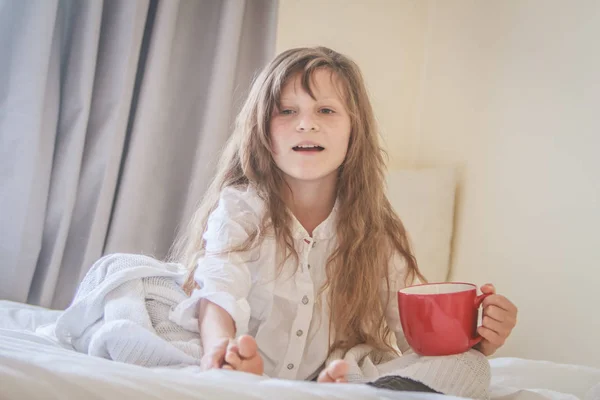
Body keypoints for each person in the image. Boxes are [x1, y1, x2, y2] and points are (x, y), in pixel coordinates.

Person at [172, 46, 518, 394]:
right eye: (287, 111)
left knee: (468, 367)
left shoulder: (375, 231)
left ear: (355, 131)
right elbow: (219, 289)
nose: (306, 123)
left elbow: (417, 338)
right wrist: (219, 351)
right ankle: (249, 371)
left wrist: (479, 341)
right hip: (240, 354)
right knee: (130, 287)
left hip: (338, 372)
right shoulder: (242, 208)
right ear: (263, 131)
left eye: (326, 110)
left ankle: (336, 388)